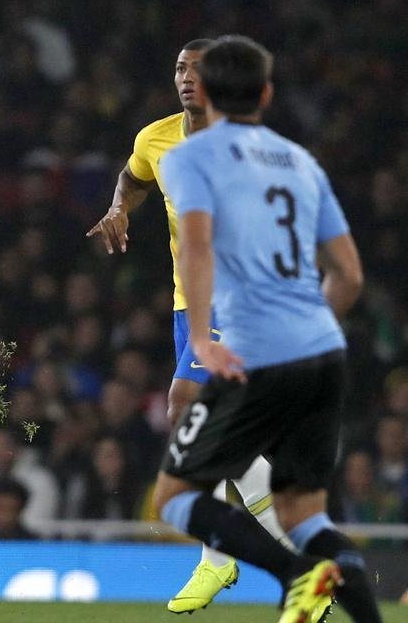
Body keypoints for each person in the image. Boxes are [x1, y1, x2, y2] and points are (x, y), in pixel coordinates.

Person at [151, 35, 379, 623]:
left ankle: (276, 571)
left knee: (176, 495)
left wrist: (205, 337)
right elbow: (349, 275)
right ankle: (333, 593)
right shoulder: (300, 161)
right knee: (307, 518)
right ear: (267, 94)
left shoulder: (190, 156)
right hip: (319, 349)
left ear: (207, 94)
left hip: (250, 334)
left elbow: (197, 248)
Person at [87, 40, 289, 612]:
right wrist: (118, 208)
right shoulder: (156, 138)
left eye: (200, 71)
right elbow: (134, 177)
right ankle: (224, 558)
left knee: (183, 405)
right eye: (180, 67)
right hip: (189, 305)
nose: (187, 78)